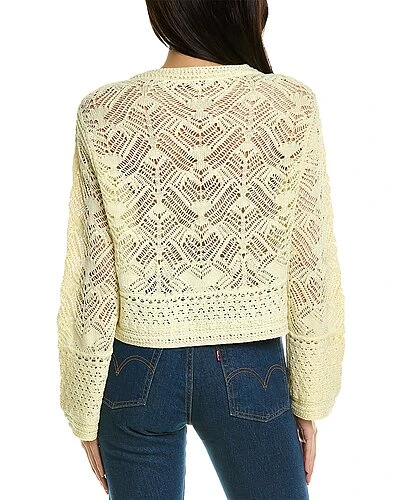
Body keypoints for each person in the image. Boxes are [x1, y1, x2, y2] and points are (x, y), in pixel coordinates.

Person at [56, 0, 345, 498]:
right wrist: (310, 398)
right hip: (250, 367)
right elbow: (309, 264)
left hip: (136, 371)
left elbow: (92, 274)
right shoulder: (290, 105)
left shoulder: (103, 112)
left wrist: (83, 410)